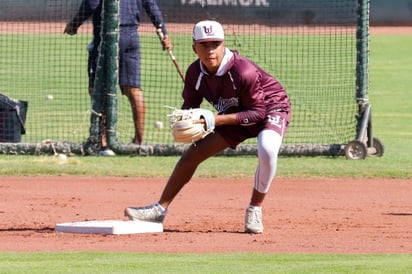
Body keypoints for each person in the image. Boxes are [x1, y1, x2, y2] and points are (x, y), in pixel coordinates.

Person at [124, 20, 291, 234]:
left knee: (267, 148)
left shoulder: (243, 71)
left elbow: (257, 113)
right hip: (235, 114)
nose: (210, 50)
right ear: (194, 47)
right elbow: (190, 105)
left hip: (270, 108)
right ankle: (159, 210)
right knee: (192, 155)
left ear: (223, 45)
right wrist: (186, 121)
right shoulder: (195, 73)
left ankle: (254, 208)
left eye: (215, 44)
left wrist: (214, 120)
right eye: (204, 45)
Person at [64, 0, 172, 154]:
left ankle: (104, 143)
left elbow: (91, 4)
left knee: (97, 90)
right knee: (133, 89)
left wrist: (74, 24)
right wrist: (163, 32)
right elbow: (151, 4)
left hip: (106, 35)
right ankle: (139, 142)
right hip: (131, 37)